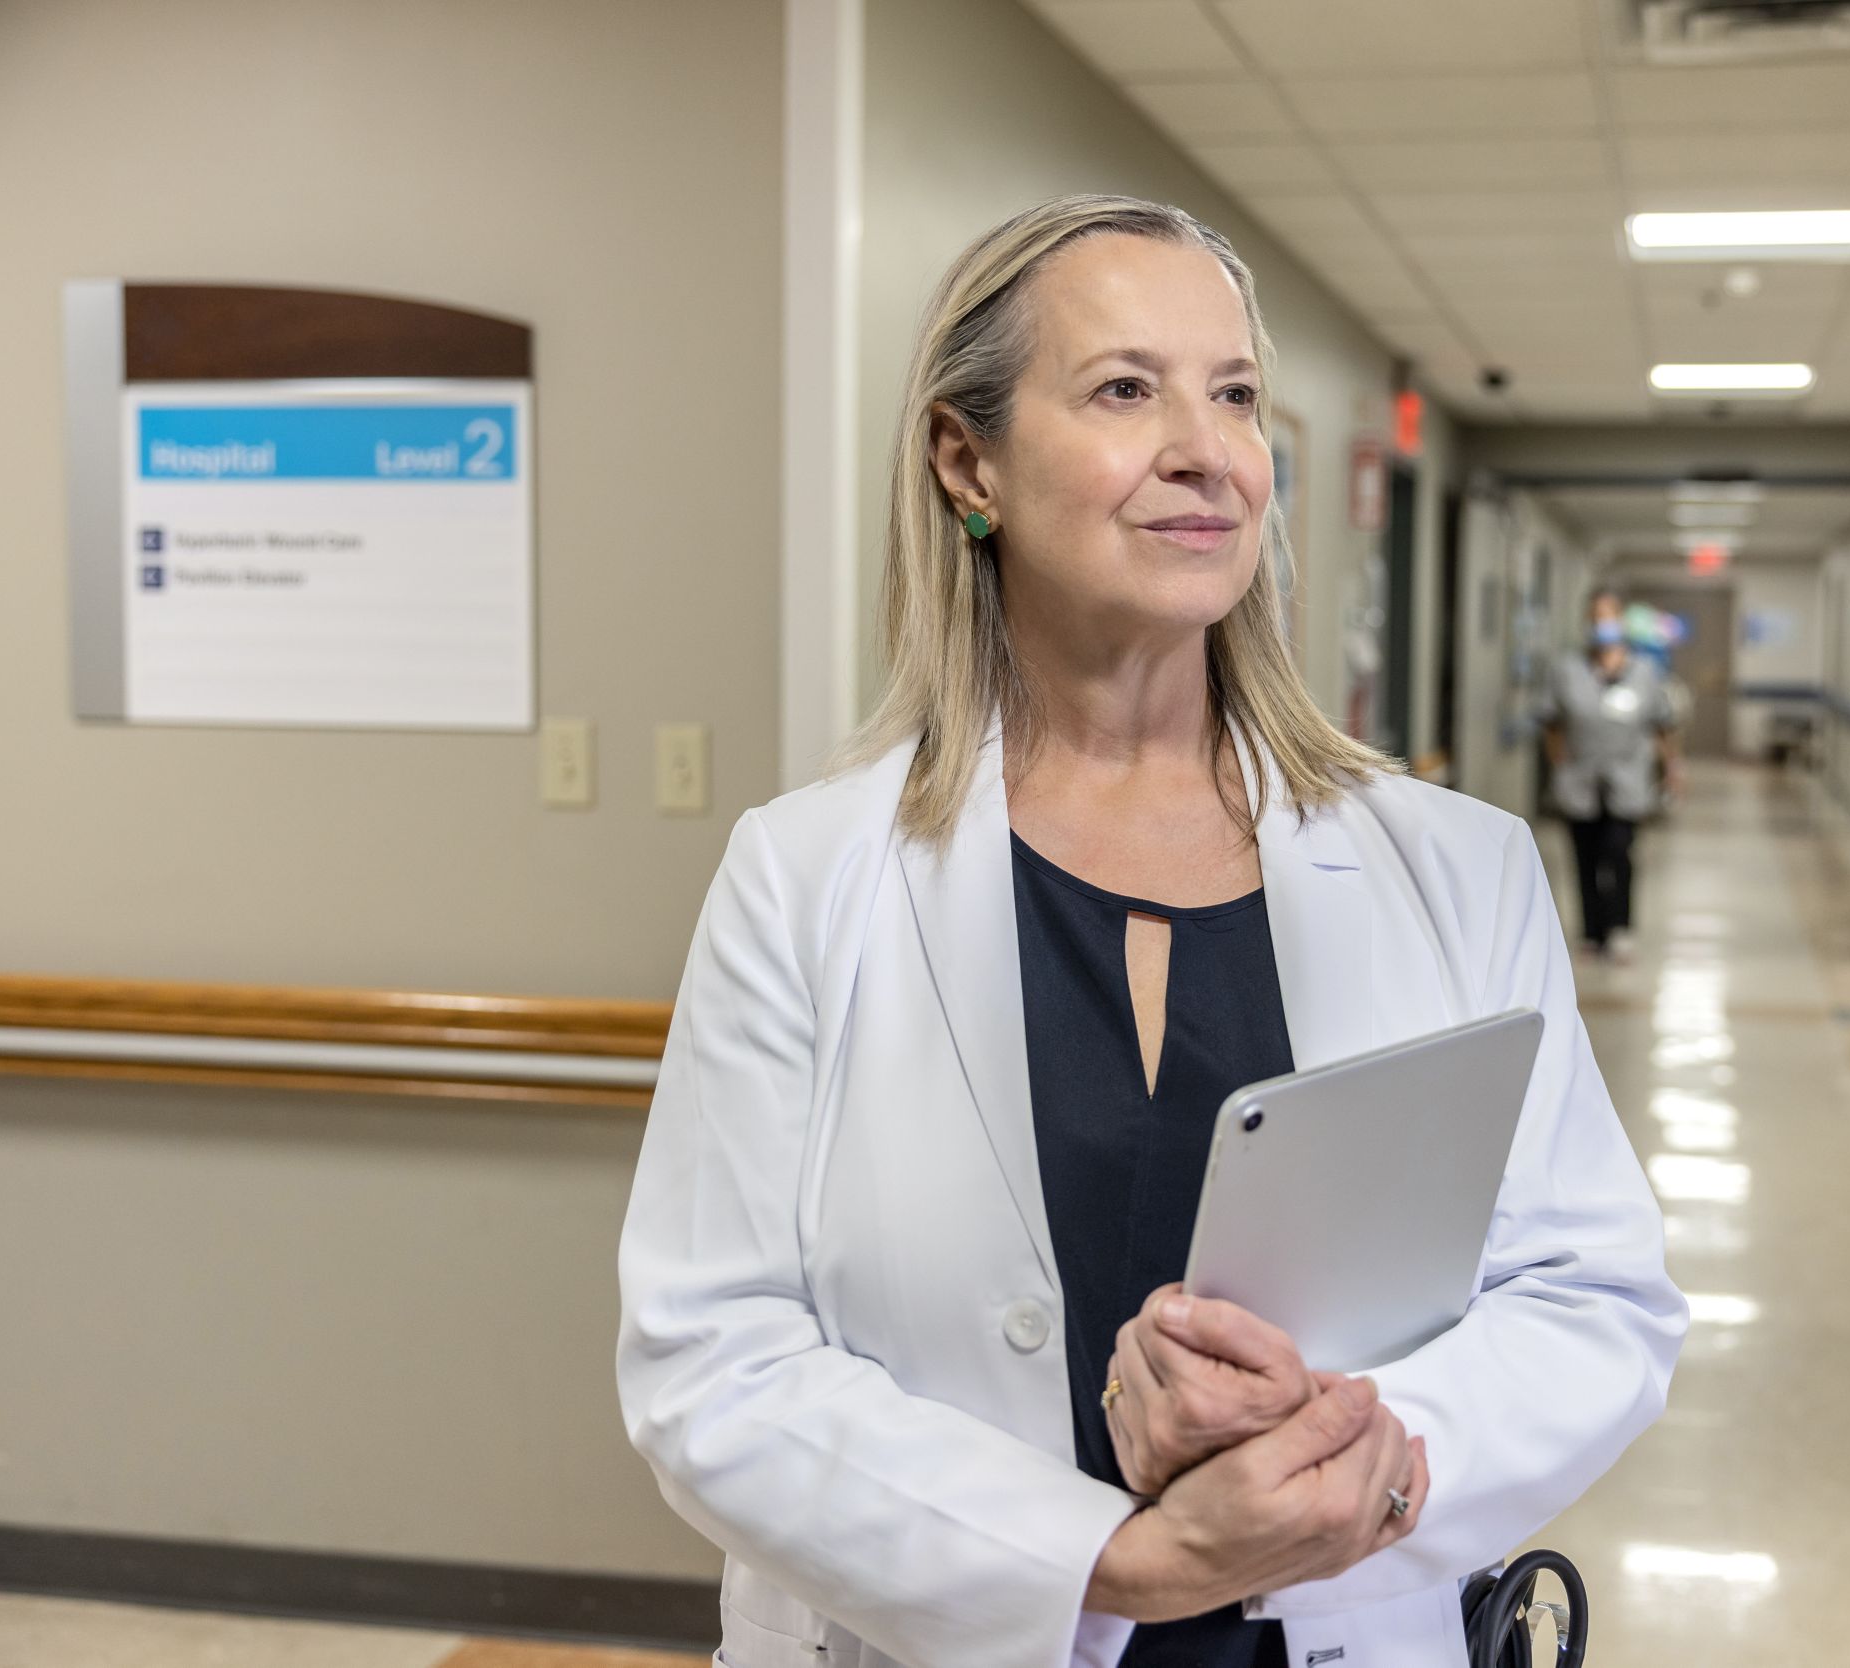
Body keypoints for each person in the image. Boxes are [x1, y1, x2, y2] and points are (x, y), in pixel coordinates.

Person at [615, 196, 1683, 1668]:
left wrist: (1381, 1459)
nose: (1208, 449)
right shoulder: (804, 881)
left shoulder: (1459, 869)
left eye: (1234, 394)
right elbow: (713, 1366)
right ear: (964, 458)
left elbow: (1596, 1296)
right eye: (1127, 388)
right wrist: (1115, 1562)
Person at [1542, 597, 1678, 960]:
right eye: (1597, 617)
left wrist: (1672, 770)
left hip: (1628, 776)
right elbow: (1552, 721)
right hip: (1579, 778)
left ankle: (1620, 926)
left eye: (1610, 617)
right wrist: (1558, 760)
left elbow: (1662, 724)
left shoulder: (1644, 671)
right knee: (1584, 856)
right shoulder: (1568, 669)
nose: (1603, 625)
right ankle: (1592, 931)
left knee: (1619, 851)